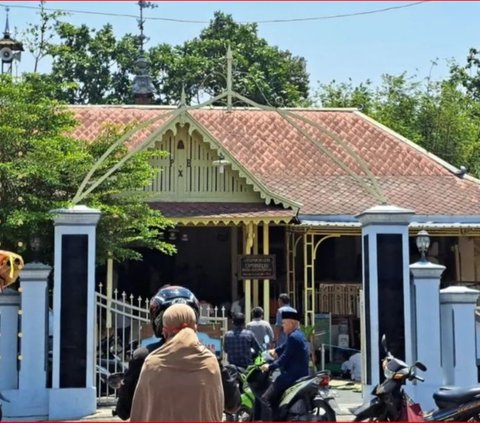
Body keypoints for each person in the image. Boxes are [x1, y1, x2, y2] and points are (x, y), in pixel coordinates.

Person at [114, 285, 200, 420]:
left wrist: (123, 388)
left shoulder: (143, 357)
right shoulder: (210, 358)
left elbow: (124, 412)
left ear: (160, 321)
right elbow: (233, 404)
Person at [131, 303, 224, 421]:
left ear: (164, 332)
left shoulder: (152, 363)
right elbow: (216, 410)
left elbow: (140, 412)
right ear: (195, 329)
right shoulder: (210, 362)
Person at [260, 309, 309, 421]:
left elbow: (284, 358)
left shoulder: (293, 337)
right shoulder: (298, 335)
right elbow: (285, 347)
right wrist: (275, 350)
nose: (282, 326)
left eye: (284, 323)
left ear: (291, 323)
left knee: (266, 398)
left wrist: (270, 366)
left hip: (292, 376)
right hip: (301, 373)